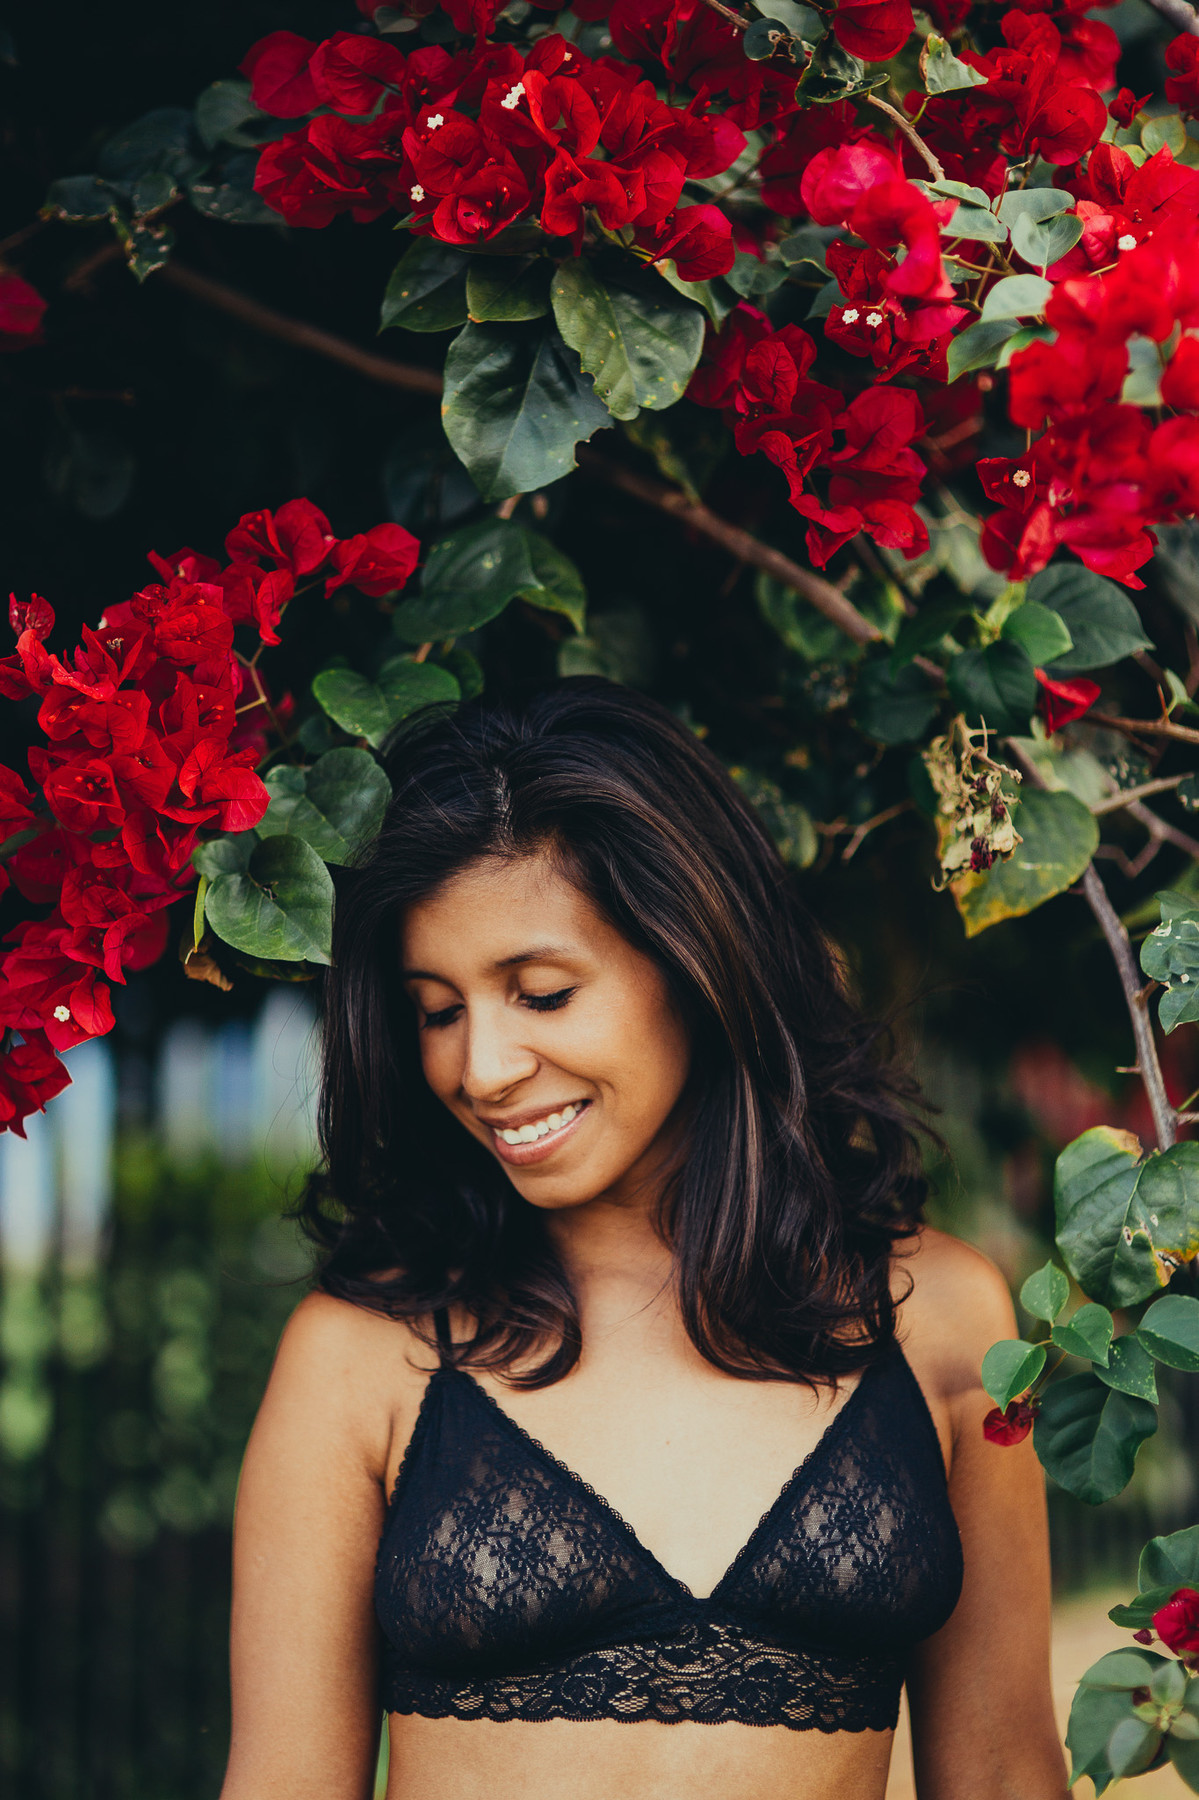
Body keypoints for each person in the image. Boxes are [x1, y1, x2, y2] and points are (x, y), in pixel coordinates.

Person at [219, 679, 1068, 1800]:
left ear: (694, 960)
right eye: (438, 1011)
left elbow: (1004, 1772)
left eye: (540, 993)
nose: (480, 1069)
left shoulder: (942, 1319)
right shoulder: (363, 1351)